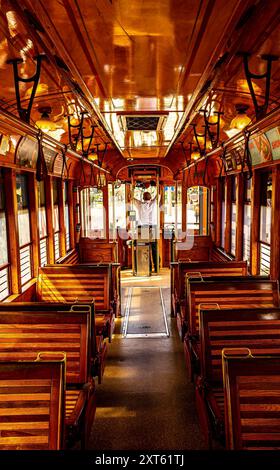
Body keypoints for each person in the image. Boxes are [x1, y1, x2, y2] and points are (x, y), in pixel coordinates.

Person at [133, 191, 160, 273]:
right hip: (153, 227)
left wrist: (133, 188)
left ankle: (147, 267)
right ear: (151, 198)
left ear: (143, 198)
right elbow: (159, 194)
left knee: (145, 248)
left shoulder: (139, 205)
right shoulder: (154, 203)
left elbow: (131, 198)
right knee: (154, 248)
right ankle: (156, 267)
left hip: (143, 228)